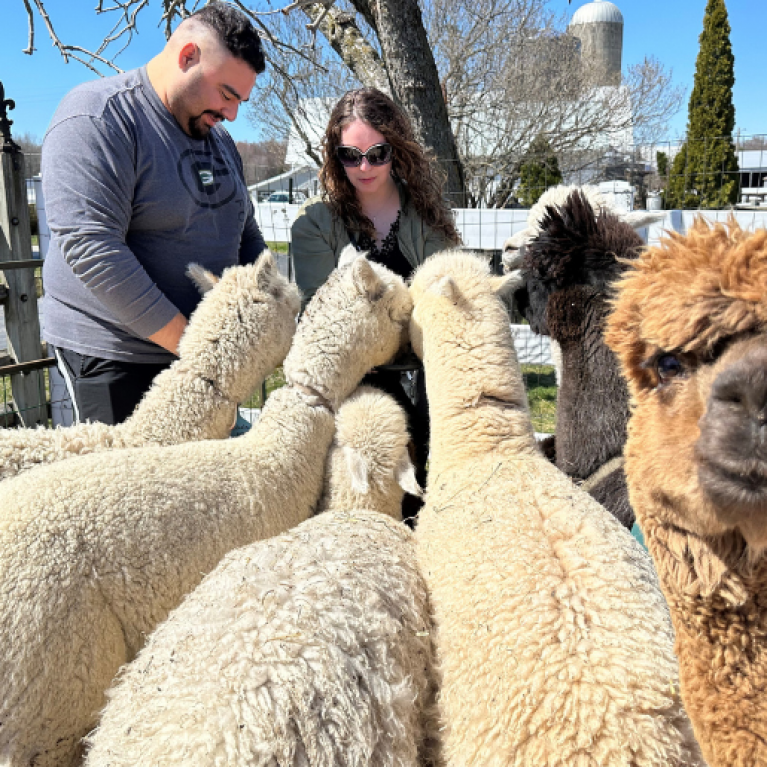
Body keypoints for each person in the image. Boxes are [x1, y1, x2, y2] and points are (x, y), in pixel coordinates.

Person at [41, 2, 267, 425]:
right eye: (227, 94)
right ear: (187, 56)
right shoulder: (99, 117)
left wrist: (267, 308)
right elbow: (92, 247)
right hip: (114, 360)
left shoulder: (219, 141)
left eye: (241, 100)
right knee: (116, 489)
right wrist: (194, 345)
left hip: (201, 361)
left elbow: (247, 233)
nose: (232, 114)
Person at [291, 87, 461, 519]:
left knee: (436, 496)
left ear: (396, 149)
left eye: (377, 153)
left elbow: (446, 306)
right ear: (334, 154)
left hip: (430, 374)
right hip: (353, 385)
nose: (364, 167)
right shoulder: (314, 225)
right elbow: (323, 325)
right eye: (350, 155)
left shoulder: (426, 216)